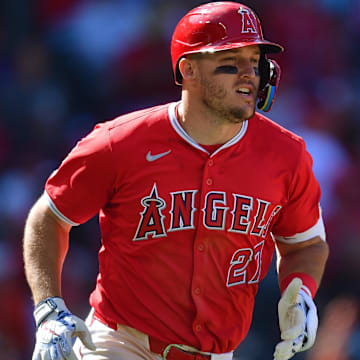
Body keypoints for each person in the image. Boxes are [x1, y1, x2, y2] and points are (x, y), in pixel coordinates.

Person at [23, 2, 329, 360]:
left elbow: (305, 245)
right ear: (189, 71)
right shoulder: (119, 142)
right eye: (231, 61)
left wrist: (302, 290)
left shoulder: (286, 154)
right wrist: (48, 307)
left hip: (217, 353)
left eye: (256, 60)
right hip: (121, 343)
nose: (249, 74)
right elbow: (49, 217)